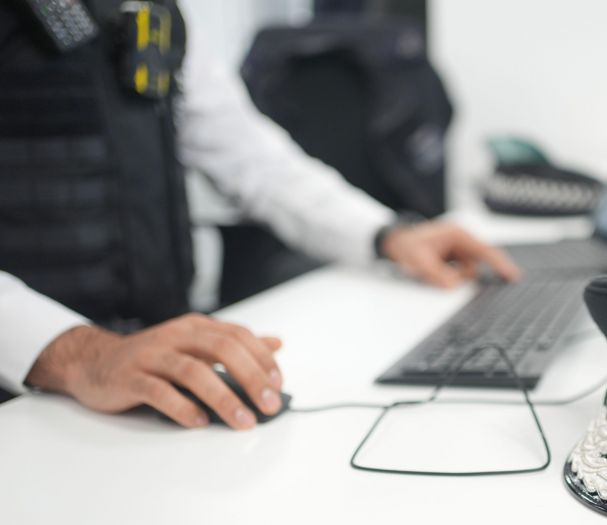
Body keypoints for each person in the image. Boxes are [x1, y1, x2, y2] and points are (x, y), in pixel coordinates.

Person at [0, 0, 519, 430]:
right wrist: (78, 354)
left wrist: (389, 234)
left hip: (148, 386)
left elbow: (252, 158)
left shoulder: (150, 13)